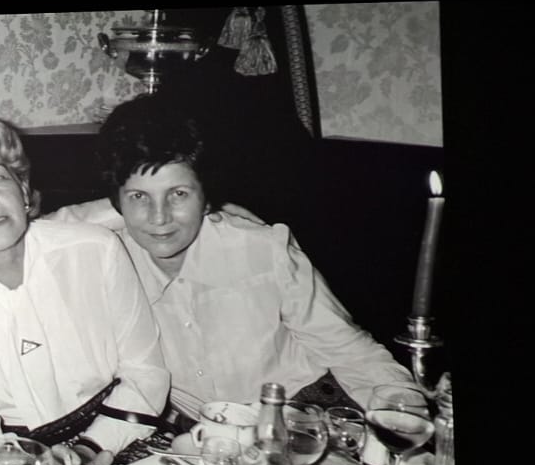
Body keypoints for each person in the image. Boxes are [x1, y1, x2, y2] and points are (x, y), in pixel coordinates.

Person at [49, 98, 413, 418]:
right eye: (139, 197)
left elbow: (351, 353)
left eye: (178, 194)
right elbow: (36, 234)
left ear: (206, 194)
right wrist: (119, 205)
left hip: (306, 411)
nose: (159, 218)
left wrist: (403, 410)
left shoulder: (263, 249)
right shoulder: (109, 257)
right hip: (205, 437)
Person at [0, 116, 171, 465]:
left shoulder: (97, 251)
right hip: (8, 459)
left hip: (117, 438)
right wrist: (15, 461)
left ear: (23, 188)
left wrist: (89, 448)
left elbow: (145, 373)